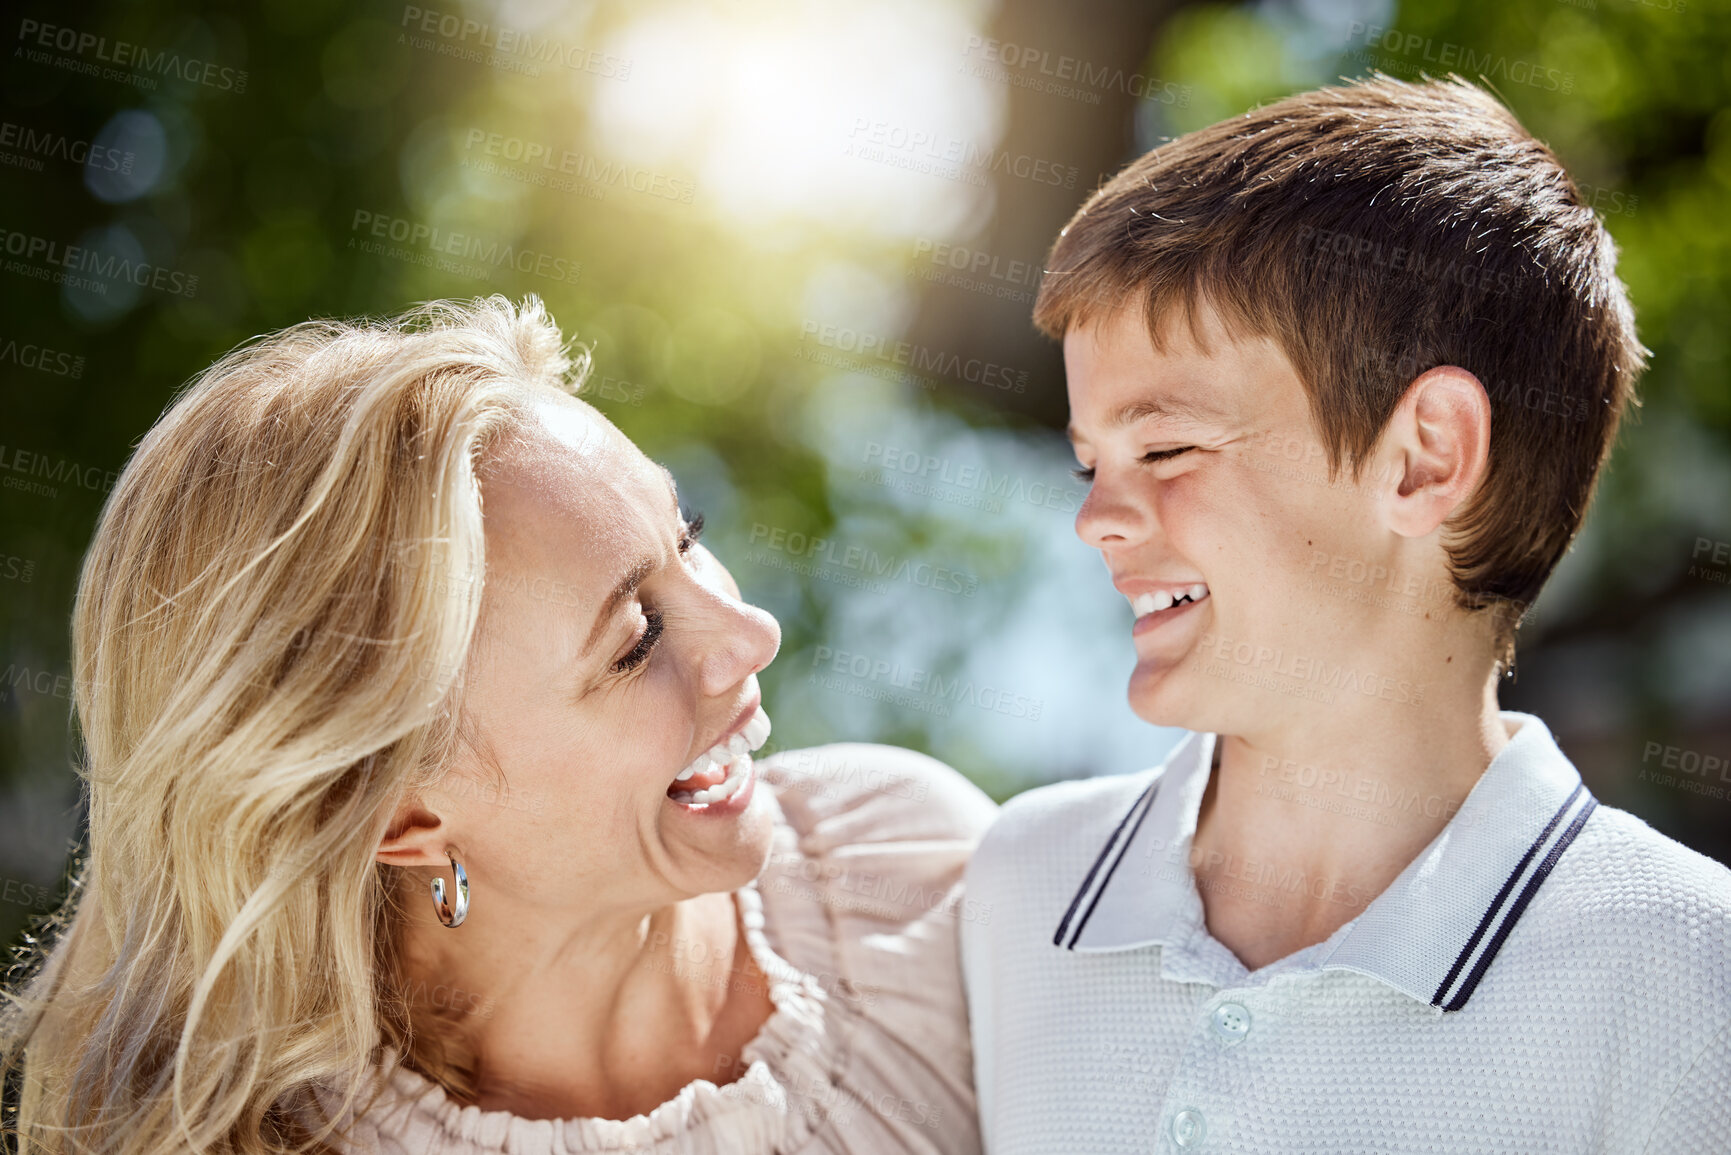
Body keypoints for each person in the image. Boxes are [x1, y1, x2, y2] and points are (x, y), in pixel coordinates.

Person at [0, 296, 996, 1155]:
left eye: (686, 535)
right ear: (397, 817)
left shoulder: (916, 869)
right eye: (636, 640)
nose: (751, 632)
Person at [960, 74, 1731, 1152]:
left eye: (1169, 448)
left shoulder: (1690, 982)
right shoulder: (1015, 891)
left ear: (1426, 457)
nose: (1097, 519)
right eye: (1094, 462)